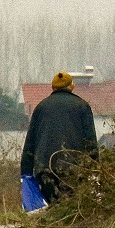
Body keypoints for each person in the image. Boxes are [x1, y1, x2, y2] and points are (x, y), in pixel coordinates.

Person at [20, 71, 98, 204]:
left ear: (53, 88)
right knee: (72, 208)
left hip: (45, 169)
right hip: (74, 169)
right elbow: (90, 141)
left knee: (52, 208)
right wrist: (94, 168)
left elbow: (30, 143)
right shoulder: (82, 106)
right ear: (72, 87)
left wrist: (26, 174)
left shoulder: (40, 108)